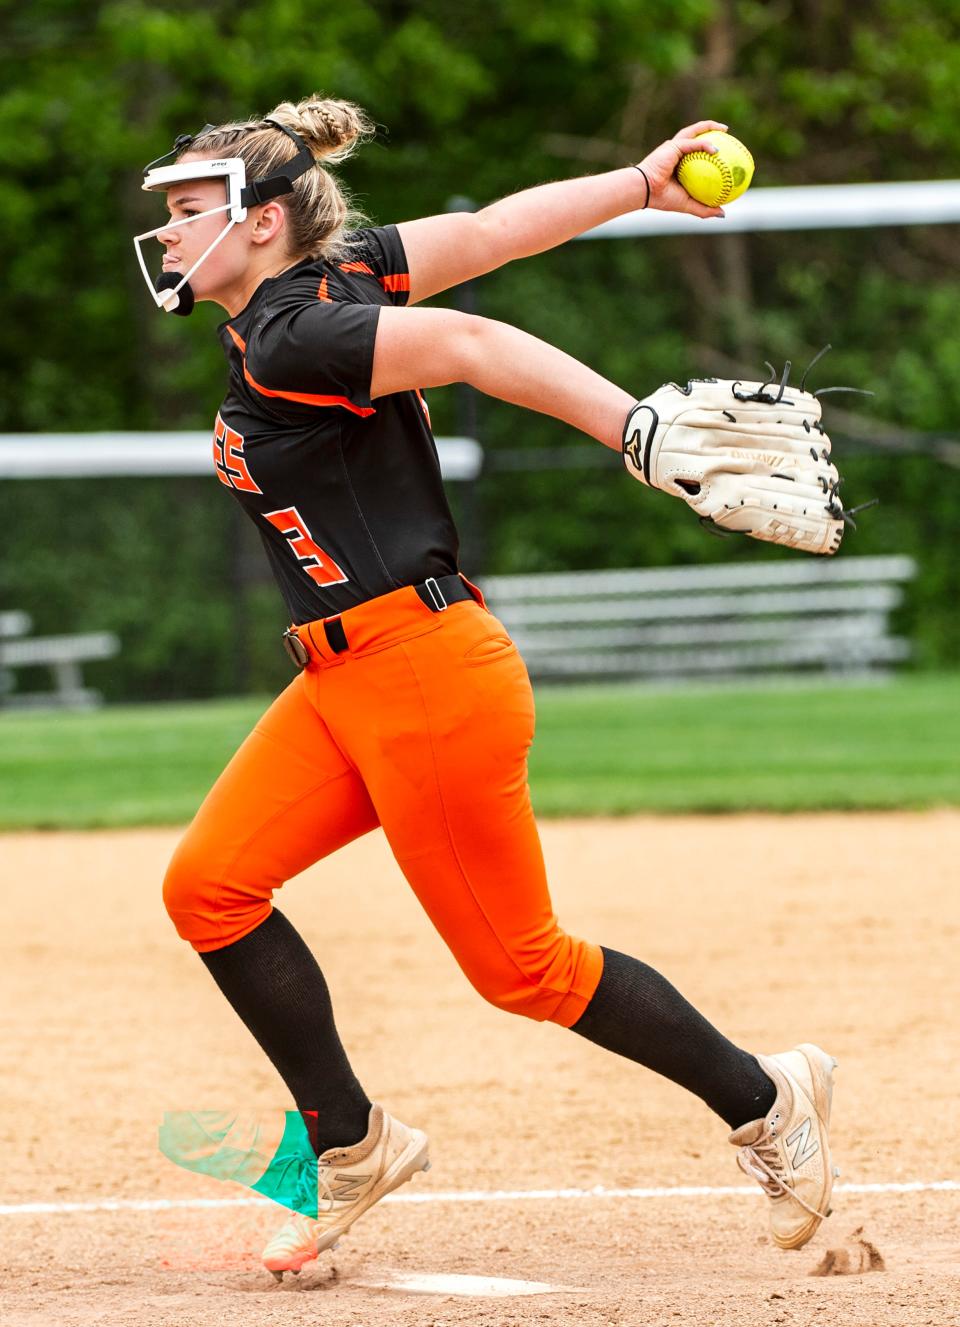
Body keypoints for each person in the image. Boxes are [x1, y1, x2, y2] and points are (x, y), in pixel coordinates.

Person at [143, 95, 837, 1279]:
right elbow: (494, 228)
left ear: (260, 224)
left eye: (189, 208)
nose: (165, 232)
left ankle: (769, 1097)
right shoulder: (318, 287)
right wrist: (638, 183)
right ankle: (353, 1141)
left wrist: (633, 429)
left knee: (523, 968)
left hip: (425, 680)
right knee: (210, 888)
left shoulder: (301, 335)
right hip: (342, 678)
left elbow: (472, 342)